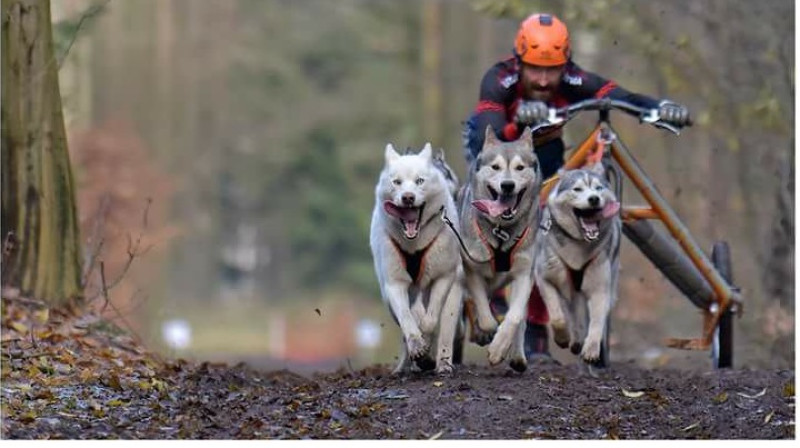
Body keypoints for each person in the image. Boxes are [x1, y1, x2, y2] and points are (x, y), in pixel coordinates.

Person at [462, 12, 691, 362]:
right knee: (504, 216)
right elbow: (490, 136)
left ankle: (536, 330)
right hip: (495, 155)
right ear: (518, 60)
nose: (542, 79)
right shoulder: (498, 79)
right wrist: (518, 123)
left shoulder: (573, 79)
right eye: (534, 68)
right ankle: (489, 290)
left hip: (546, 152)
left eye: (551, 69)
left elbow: (619, 95)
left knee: (546, 225)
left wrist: (659, 108)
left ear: (565, 64)